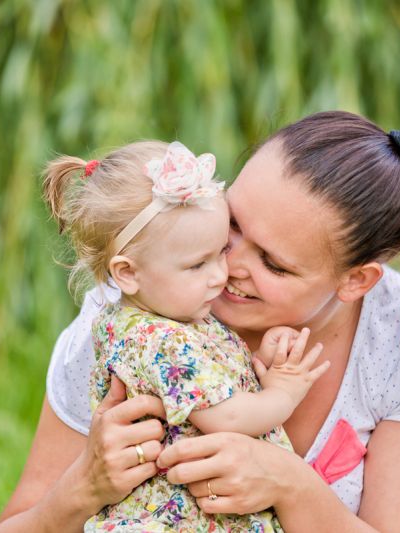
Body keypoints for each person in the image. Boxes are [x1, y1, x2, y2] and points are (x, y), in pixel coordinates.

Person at [0, 111, 400, 532]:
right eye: (233, 225)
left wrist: (290, 486)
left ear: (356, 281)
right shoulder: (134, 312)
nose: (226, 268)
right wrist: (83, 488)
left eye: (273, 263)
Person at [40, 140, 331, 531]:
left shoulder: (152, 316)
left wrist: (260, 360)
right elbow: (226, 417)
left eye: (221, 251)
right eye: (197, 265)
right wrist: (283, 392)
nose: (220, 275)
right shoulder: (162, 340)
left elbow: (205, 378)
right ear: (127, 273)